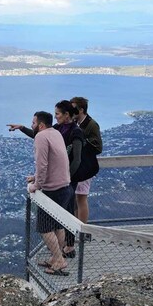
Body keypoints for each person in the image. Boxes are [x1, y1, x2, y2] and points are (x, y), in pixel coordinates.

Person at [8, 111, 74, 276]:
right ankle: (55, 257)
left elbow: (42, 164)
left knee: (44, 228)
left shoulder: (41, 137)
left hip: (53, 190)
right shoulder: (56, 133)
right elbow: (56, 161)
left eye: (33, 123)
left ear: (41, 125)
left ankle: (59, 260)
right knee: (58, 225)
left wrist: (36, 184)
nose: (32, 126)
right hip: (65, 186)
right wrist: (37, 177)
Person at [69, 96, 103, 225]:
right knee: (75, 199)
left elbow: (98, 147)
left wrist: (81, 142)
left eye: (74, 109)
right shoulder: (76, 123)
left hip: (85, 166)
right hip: (77, 165)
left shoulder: (91, 124)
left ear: (81, 109)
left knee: (81, 198)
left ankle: (82, 229)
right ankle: (75, 227)